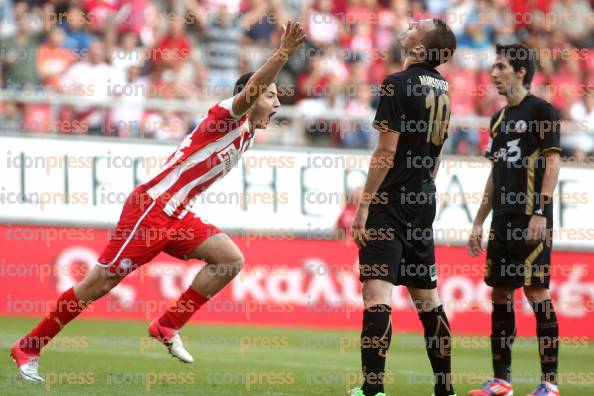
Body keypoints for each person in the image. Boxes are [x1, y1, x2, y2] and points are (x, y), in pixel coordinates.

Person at [10, 20, 305, 383]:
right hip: (150, 209)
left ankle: (167, 324)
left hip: (177, 214)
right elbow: (253, 87)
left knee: (230, 260)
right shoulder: (227, 118)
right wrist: (283, 52)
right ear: (250, 95)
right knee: (98, 285)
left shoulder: (247, 137)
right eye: (271, 94)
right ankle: (30, 345)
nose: (277, 101)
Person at [349, 18, 457, 396]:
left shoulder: (396, 84)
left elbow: (385, 151)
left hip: (390, 201)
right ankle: (445, 389)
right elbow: (438, 151)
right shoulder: (443, 88)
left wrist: (364, 206)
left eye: (418, 25)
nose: (410, 23)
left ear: (419, 49)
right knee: (428, 298)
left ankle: (372, 389)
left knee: (377, 295)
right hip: (422, 198)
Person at [467, 44, 561, 396]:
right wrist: (478, 221)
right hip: (503, 221)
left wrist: (541, 210)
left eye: (500, 66)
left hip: (531, 218)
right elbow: (496, 174)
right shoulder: (498, 119)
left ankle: (549, 383)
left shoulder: (542, 111)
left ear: (521, 71)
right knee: (501, 294)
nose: (493, 73)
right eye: (493, 67)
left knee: (537, 292)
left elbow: (552, 162)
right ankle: (502, 380)